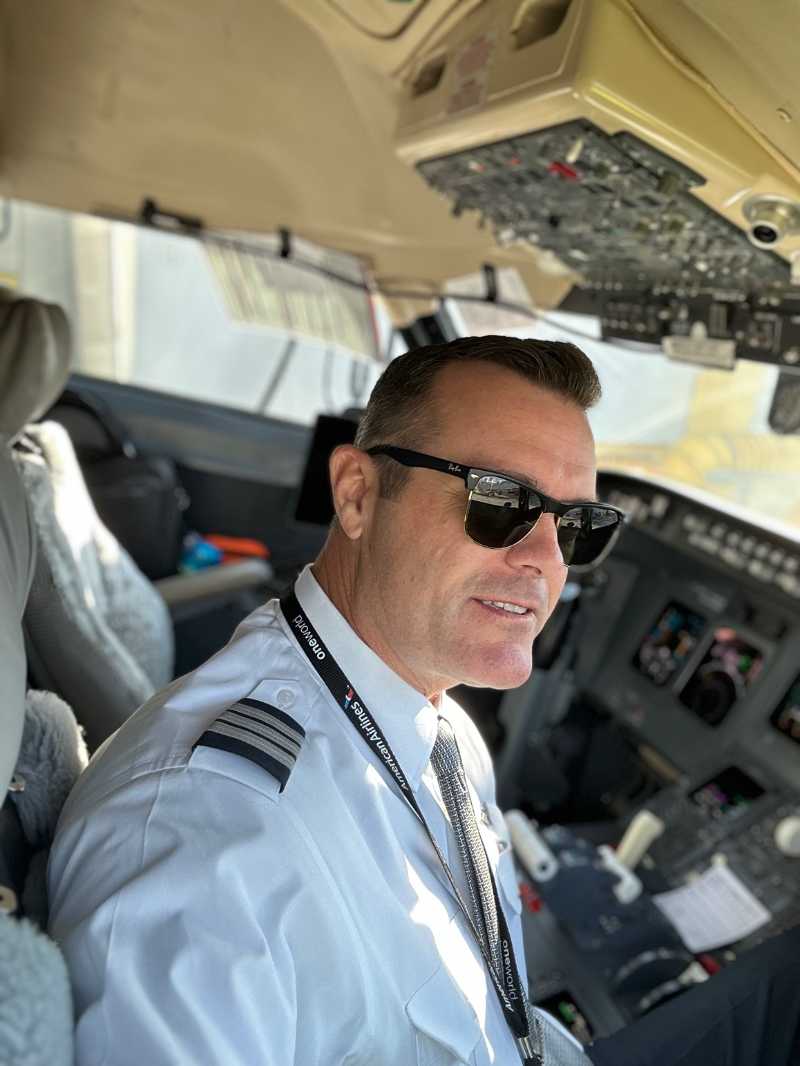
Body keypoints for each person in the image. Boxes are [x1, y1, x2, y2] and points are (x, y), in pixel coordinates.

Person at [47, 336, 799, 1065]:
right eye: (501, 502)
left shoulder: (441, 726)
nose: (545, 562)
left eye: (576, 526)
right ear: (357, 493)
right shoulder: (207, 839)